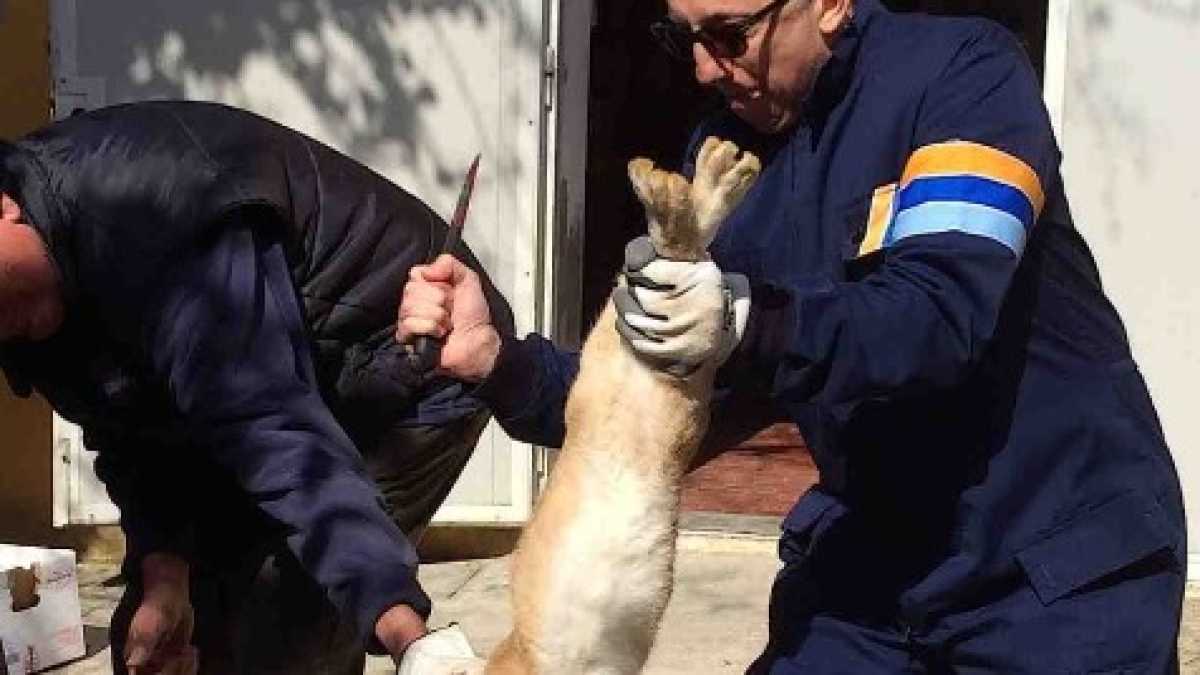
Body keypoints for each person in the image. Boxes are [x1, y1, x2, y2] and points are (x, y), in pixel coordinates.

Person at [399, 0, 1187, 672]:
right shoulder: (735, 157)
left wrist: (747, 317)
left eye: (731, 34)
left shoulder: (963, 78)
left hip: (1051, 577)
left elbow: (941, 314)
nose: (706, 68)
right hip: (873, 581)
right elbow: (668, 392)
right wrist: (499, 360)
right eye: (685, 39)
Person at [0, 100, 515, 674]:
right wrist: (164, 576)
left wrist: (413, 640)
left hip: (412, 356)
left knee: (282, 626)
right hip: (278, 385)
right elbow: (130, 430)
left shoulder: (158, 221)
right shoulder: (28, 303)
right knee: (161, 640)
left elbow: (277, 435)